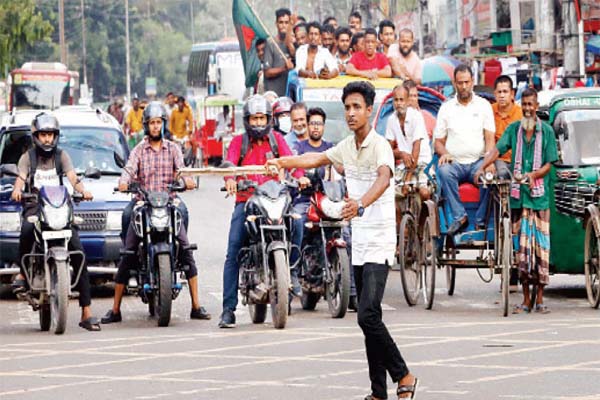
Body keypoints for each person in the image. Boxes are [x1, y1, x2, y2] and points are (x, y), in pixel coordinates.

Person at [266, 81, 418, 400]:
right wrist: (283, 163)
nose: (351, 113)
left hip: (378, 241)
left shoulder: (379, 146)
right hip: (358, 242)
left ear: (369, 110)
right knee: (367, 322)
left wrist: (361, 203)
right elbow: (314, 159)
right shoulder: (347, 147)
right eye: (347, 107)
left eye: (357, 107)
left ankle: (403, 375)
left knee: (367, 315)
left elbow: (383, 178)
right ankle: (379, 392)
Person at [101, 102, 211, 324]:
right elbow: (129, 170)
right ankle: (115, 309)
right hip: (144, 203)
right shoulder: (139, 150)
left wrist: (187, 181)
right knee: (128, 251)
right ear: (146, 125)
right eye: (151, 123)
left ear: (163, 124)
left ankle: (196, 305)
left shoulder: (173, 149)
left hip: (168, 202)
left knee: (186, 246)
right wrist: (124, 182)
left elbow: (182, 172)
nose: (155, 126)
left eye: (158, 122)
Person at [218, 95, 302, 329]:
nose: (257, 123)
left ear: (269, 119)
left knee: (297, 224)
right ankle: (228, 310)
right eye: (254, 119)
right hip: (248, 202)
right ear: (247, 120)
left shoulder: (276, 140)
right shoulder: (238, 142)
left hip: (276, 199)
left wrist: (300, 177)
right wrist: (230, 179)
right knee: (233, 250)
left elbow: (291, 163)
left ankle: (292, 273)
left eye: (261, 118)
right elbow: (229, 165)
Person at [11, 113, 100, 331]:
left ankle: (86, 311)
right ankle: (23, 273)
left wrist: (83, 190)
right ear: (36, 136)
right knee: (26, 229)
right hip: (35, 206)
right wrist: (17, 191)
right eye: (43, 135)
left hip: (60, 208)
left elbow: (72, 178)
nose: (47, 139)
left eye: (50, 134)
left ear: (55, 136)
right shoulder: (27, 158)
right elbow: (20, 179)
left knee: (78, 250)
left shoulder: (62, 156)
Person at [476, 88, 558, 314]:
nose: (529, 109)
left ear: (537, 105)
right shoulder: (514, 130)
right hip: (519, 199)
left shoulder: (547, 132)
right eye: (526, 105)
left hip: (539, 201)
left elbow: (550, 163)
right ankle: (525, 299)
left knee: (541, 253)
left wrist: (533, 176)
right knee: (522, 254)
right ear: (521, 105)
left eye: (532, 105)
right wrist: (482, 166)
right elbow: (497, 150)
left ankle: (539, 299)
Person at [434, 64, 496, 235]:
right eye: (460, 83)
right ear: (454, 83)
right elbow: (438, 142)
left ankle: (481, 220)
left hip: (478, 162)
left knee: (489, 177)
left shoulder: (484, 106)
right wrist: (444, 153)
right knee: (444, 172)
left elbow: (490, 139)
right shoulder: (446, 108)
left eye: (466, 82)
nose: (463, 86)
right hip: (455, 163)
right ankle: (460, 216)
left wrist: (488, 162)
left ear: (472, 82)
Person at [289, 107, 333, 297]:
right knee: (297, 222)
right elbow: (293, 167)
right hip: (305, 199)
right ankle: (294, 270)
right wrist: (301, 177)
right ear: (307, 126)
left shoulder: (330, 148)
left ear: (324, 126)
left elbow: (336, 171)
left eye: (319, 124)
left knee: (345, 229)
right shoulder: (299, 148)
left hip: (325, 199)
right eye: (312, 123)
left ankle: (351, 288)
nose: (316, 127)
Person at [385, 84, 432, 200]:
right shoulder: (391, 120)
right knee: (391, 194)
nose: (399, 103)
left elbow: (416, 149)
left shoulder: (416, 117)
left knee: (424, 192)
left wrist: (407, 179)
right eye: (396, 100)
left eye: (402, 100)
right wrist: (401, 154)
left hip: (422, 162)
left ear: (407, 101)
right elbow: (387, 150)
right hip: (404, 164)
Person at [492, 75, 522, 179]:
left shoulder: (521, 113)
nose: (502, 95)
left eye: (505, 92)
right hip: (498, 159)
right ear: (494, 94)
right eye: (499, 92)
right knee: (502, 174)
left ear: (512, 94)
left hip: (517, 160)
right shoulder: (489, 111)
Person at [264, 8, 296, 97]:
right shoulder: (271, 43)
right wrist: (284, 68)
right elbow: (267, 72)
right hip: (274, 96)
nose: (283, 26)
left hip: (291, 96)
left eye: (286, 23)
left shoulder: (295, 44)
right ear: (276, 24)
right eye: (281, 22)